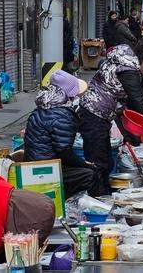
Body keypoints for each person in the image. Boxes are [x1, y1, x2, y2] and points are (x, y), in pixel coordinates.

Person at [78, 37, 143, 194]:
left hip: (102, 114)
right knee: (99, 163)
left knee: (106, 162)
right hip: (93, 114)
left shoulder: (128, 62)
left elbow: (127, 104)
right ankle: (97, 202)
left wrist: (130, 136)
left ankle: (103, 196)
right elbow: (140, 105)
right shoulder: (129, 69)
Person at [24, 70, 100, 198]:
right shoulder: (62, 114)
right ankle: (79, 208)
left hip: (35, 161)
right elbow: (64, 151)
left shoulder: (46, 105)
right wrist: (84, 164)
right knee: (90, 174)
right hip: (44, 168)